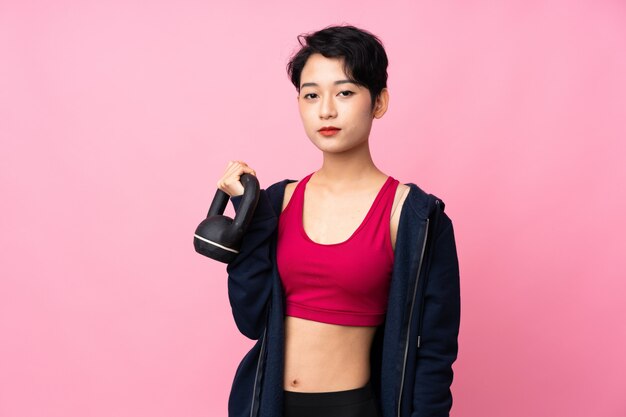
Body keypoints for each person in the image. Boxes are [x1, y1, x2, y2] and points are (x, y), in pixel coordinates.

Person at [214, 25, 460, 417]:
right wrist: (245, 218)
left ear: (378, 102)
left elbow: (435, 349)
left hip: (351, 407)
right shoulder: (276, 202)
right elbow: (250, 318)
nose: (326, 110)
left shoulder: (415, 215)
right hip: (269, 406)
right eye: (311, 95)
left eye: (344, 92)